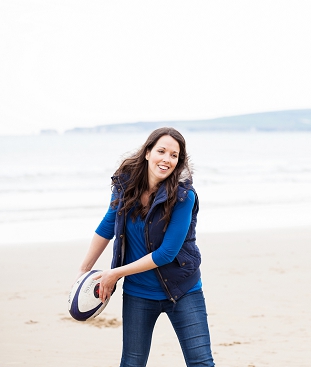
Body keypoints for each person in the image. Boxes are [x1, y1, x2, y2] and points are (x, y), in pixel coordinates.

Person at [77, 127, 214, 366]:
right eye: (161, 151)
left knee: (201, 363)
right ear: (148, 152)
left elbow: (166, 253)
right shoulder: (125, 185)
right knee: (131, 363)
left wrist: (114, 274)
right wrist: (84, 271)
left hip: (182, 290)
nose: (167, 159)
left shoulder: (184, 196)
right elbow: (108, 225)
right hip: (138, 293)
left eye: (174, 155)